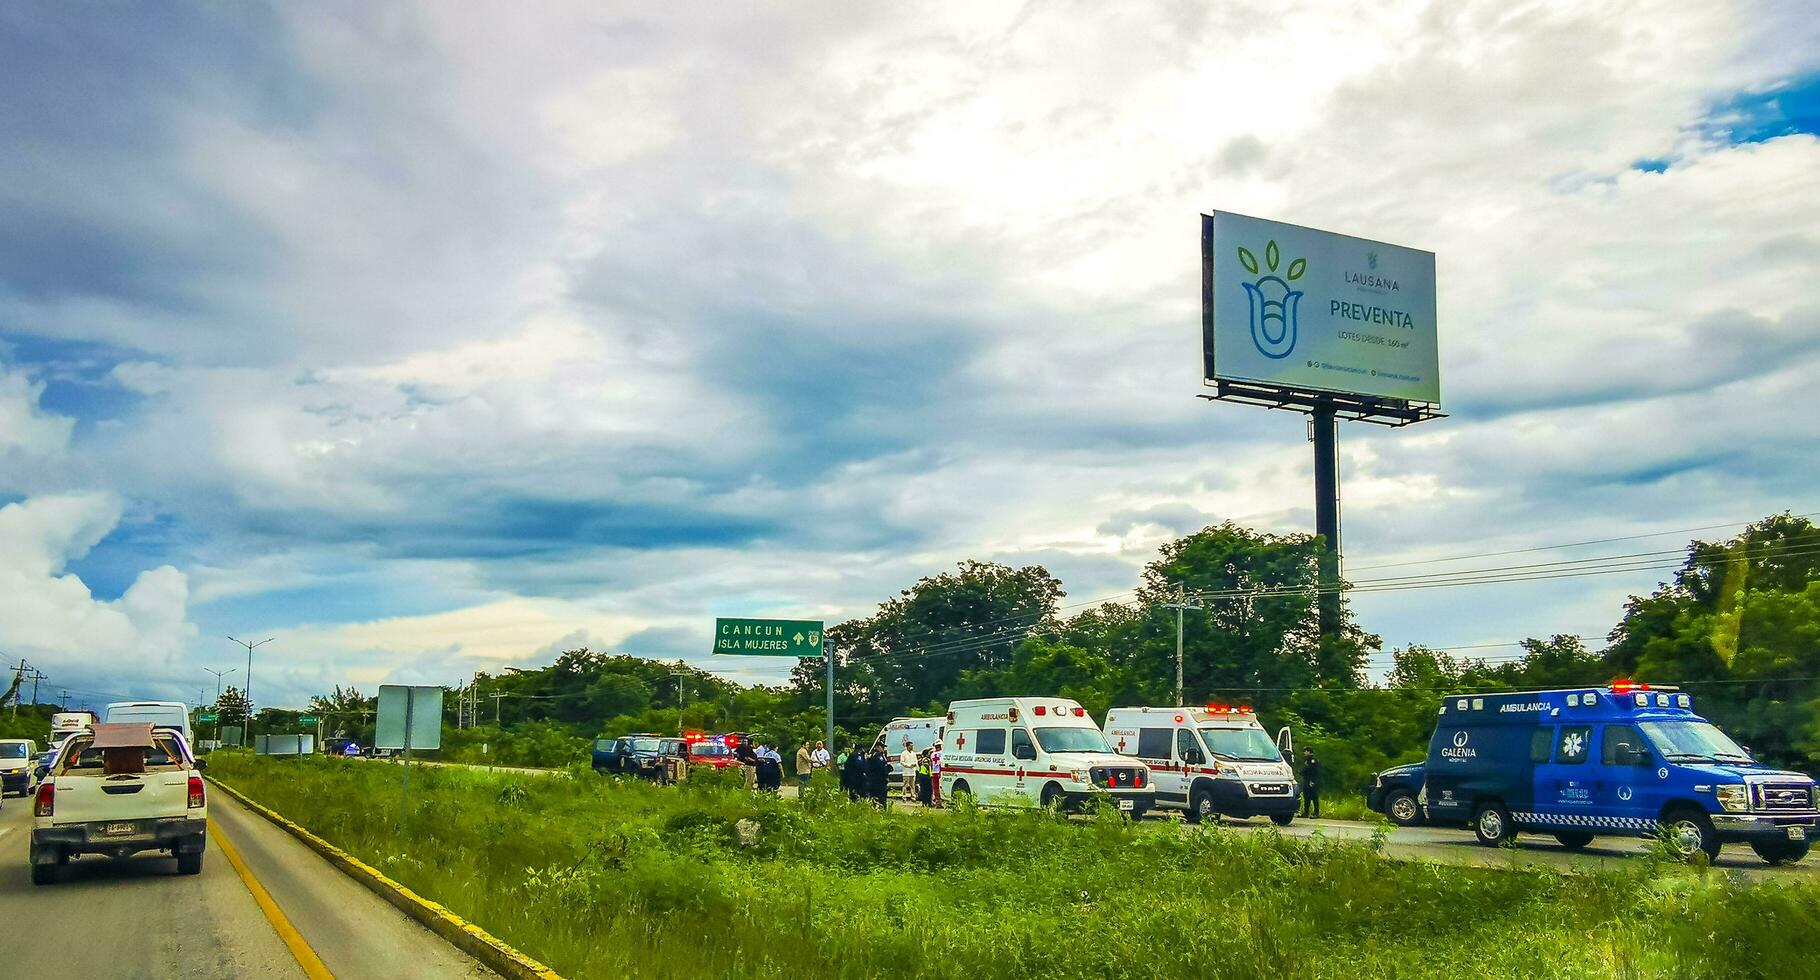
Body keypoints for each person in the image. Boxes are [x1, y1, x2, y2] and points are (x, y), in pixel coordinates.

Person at [1300, 750, 1321, 819]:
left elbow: (1314, 771)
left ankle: (1316, 813)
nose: (1304, 753)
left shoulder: (1313, 760)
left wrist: (1313, 781)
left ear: (1309, 752)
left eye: (1305, 751)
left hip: (1312, 781)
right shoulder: (1307, 760)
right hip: (1306, 780)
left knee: (1314, 797)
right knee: (1306, 797)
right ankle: (1306, 812)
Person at [929, 741, 943, 806]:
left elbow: (931, 764)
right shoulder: (942, 753)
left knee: (935, 787)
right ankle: (939, 801)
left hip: (934, 772)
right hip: (940, 771)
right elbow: (941, 763)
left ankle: (937, 800)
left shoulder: (932, 754)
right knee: (940, 787)